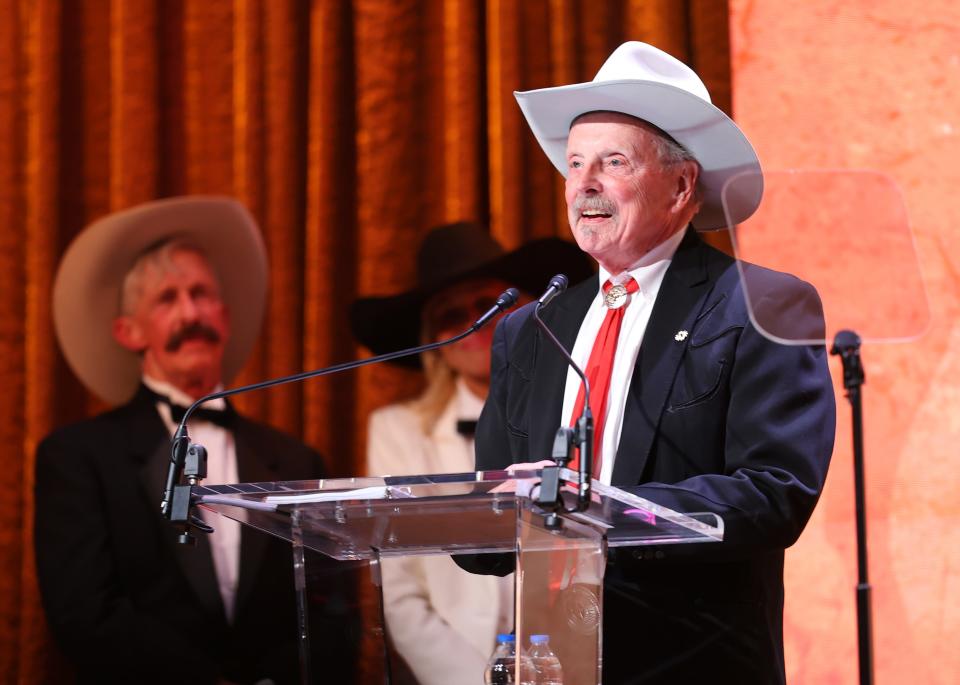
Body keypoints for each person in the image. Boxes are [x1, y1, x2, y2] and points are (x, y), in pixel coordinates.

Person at [458, 42, 836, 684]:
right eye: (574, 164)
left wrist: (599, 507)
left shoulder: (759, 305)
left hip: (693, 663)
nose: (584, 184)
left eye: (613, 161)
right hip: (551, 664)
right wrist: (471, 510)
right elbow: (490, 547)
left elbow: (776, 493)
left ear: (682, 184)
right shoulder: (530, 329)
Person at [34, 197, 354, 684]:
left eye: (202, 294)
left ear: (224, 318)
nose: (191, 313)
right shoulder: (79, 456)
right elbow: (84, 615)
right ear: (128, 331)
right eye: (167, 299)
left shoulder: (295, 458)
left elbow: (335, 612)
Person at [351, 223, 593, 685]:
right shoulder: (397, 430)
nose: (473, 324)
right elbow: (400, 593)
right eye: (451, 314)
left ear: (524, 310)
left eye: (487, 305)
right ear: (433, 340)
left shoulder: (575, 410)